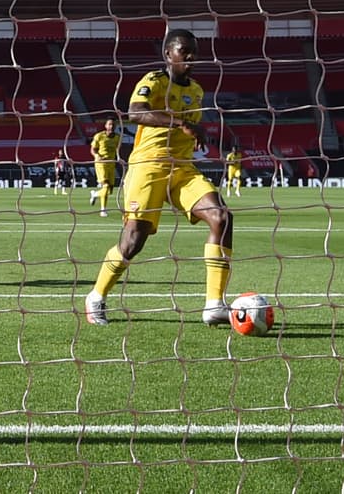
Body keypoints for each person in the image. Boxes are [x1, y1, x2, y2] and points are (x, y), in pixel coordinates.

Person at [84, 29, 234, 327]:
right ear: (168, 54)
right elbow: (136, 114)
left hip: (182, 169)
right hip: (147, 166)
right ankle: (96, 296)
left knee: (221, 216)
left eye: (194, 52)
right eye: (184, 51)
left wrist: (195, 133)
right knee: (133, 241)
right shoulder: (153, 82)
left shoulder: (198, 91)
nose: (191, 57)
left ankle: (214, 304)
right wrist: (181, 123)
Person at [88, 119, 121, 217]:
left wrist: (119, 158)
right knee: (106, 186)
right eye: (110, 124)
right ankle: (103, 210)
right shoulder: (99, 136)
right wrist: (96, 156)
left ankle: (95, 194)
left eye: (113, 124)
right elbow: (93, 150)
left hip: (111, 164)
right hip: (101, 164)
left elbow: (117, 150)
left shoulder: (117, 137)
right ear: (106, 126)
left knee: (109, 191)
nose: (112, 126)